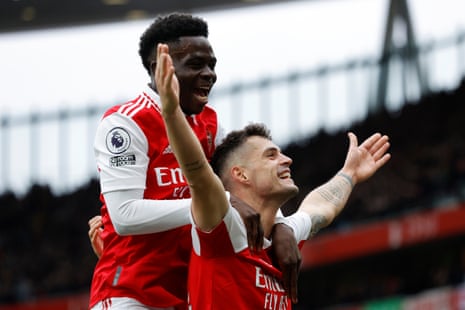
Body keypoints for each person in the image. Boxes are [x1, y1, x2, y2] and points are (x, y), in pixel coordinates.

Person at [154, 42, 391, 308]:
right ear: (240, 174)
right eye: (271, 155)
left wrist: (349, 174)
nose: (286, 159)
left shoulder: (283, 235)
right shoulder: (224, 226)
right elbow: (197, 171)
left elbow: (321, 208)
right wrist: (172, 113)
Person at [89, 12, 300, 310]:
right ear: (159, 68)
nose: (210, 74)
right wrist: (219, 204)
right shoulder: (125, 123)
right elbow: (124, 216)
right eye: (196, 65)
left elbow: (246, 184)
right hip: (130, 294)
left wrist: (281, 226)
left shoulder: (211, 125)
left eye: (212, 65)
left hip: (186, 295)